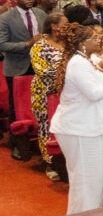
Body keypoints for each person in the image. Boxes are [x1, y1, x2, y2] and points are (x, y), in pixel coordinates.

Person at [50, 24, 103, 214]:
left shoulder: (86, 60)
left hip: (92, 128)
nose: (99, 40)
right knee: (86, 182)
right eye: (94, 38)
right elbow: (94, 93)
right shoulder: (77, 63)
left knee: (97, 177)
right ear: (82, 43)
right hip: (79, 129)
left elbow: (99, 84)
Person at [0, 0, 46, 132]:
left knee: (39, 100)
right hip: (17, 66)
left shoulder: (40, 14)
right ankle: (17, 137)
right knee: (16, 104)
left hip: (39, 64)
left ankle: (39, 131)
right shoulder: (5, 18)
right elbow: (2, 44)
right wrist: (27, 44)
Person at [26, 12, 66, 171]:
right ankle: (49, 161)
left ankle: (63, 158)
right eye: (64, 24)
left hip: (64, 92)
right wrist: (67, 71)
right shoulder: (39, 46)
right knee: (46, 126)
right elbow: (41, 70)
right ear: (54, 26)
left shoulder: (67, 44)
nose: (67, 27)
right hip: (43, 93)